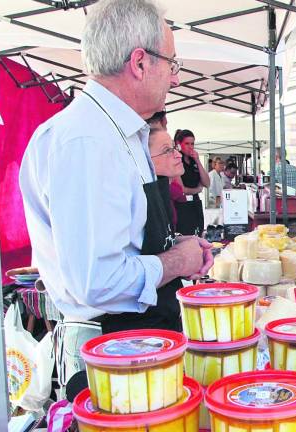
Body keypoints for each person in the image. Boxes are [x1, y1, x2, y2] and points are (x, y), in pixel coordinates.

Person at [18, 0, 213, 400]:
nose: (175, 80)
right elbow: (97, 281)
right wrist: (177, 262)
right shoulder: (86, 141)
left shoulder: (119, 135)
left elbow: (123, 243)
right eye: (172, 65)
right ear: (140, 63)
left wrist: (174, 246)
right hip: (109, 353)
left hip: (135, 344)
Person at [175, 129, 210, 235]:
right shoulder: (176, 160)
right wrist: (198, 189)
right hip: (182, 206)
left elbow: (207, 183)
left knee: (198, 234)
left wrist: (198, 161)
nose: (190, 147)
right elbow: (182, 189)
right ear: (179, 144)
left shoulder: (193, 160)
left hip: (196, 204)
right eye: (187, 143)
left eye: (192, 144)